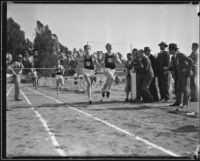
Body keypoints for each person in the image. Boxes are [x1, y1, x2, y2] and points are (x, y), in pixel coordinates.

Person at [163, 43, 194, 111]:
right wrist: (167, 69)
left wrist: (187, 69)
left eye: (170, 50)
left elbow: (191, 61)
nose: (169, 51)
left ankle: (185, 103)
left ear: (173, 50)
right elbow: (173, 67)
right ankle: (178, 102)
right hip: (179, 75)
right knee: (178, 89)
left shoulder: (181, 55)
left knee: (185, 89)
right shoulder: (173, 57)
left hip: (185, 75)